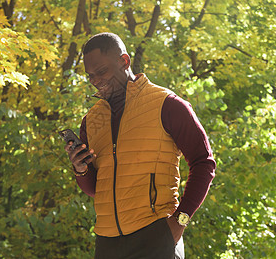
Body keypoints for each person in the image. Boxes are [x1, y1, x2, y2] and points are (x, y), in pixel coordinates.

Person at [64, 32, 216, 259]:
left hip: (156, 235)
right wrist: (81, 169)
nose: (95, 81)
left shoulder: (168, 104)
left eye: (102, 71)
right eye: (90, 75)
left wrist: (180, 221)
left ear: (124, 61)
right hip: (107, 243)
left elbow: (204, 163)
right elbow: (95, 190)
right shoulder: (91, 120)